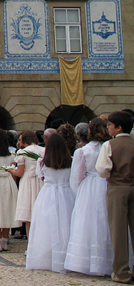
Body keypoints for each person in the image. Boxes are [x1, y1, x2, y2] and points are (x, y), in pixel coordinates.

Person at [64, 117, 114, 276]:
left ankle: (85, 260)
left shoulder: (83, 151)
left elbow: (76, 176)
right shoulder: (109, 147)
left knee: (86, 222)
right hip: (107, 184)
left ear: (90, 131)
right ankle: (109, 259)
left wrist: (78, 193)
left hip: (89, 185)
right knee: (106, 220)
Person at [26, 133, 74, 272]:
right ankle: (64, 256)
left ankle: (46, 256)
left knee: (46, 225)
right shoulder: (70, 160)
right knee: (65, 224)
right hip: (66, 193)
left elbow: (41, 177)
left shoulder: (42, 161)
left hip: (48, 193)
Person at [96, 110, 134, 283]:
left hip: (117, 187)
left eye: (110, 125)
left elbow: (103, 170)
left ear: (118, 128)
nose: (108, 128)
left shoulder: (109, 145)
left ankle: (121, 271)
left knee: (118, 231)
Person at [11, 130, 45, 238]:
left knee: (29, 216)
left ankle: (31, 244)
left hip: (28, 182)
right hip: (41, 181)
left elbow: (20, 172)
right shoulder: (43, 150)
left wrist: (11, 171)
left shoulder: (23, 152)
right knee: (41, 214)